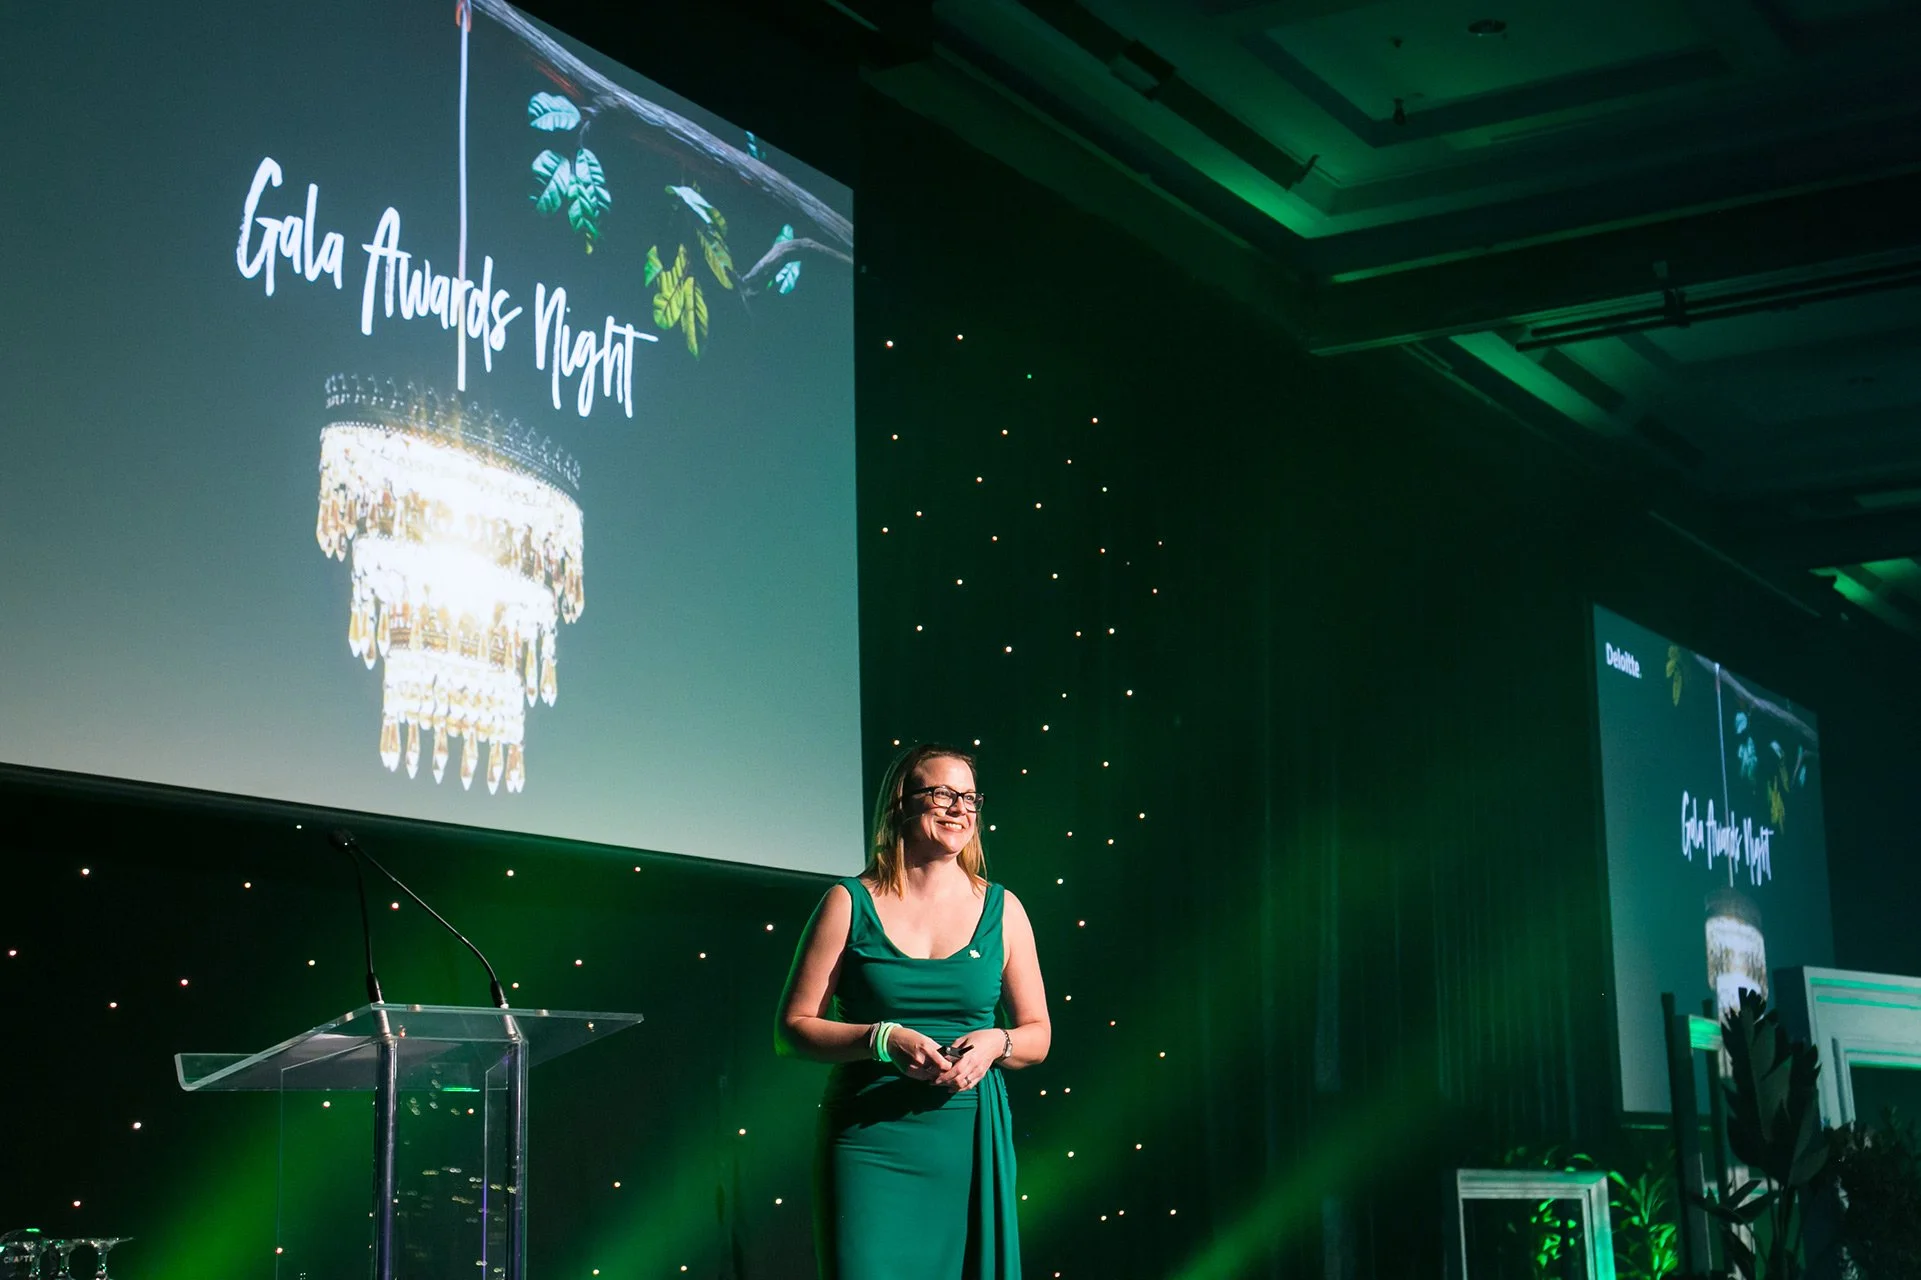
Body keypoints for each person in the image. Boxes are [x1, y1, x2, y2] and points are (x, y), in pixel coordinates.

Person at [776, 744, 1051, 1279]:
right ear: (902, 802)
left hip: (966, 1138)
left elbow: (1037, 1034)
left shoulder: (1003, 908)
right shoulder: (847, 902)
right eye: (943, 794)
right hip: (869, 1140)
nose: (960, 809)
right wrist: (882, 1038)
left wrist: (999, 1041)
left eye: (970, 798)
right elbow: (792, 1031)